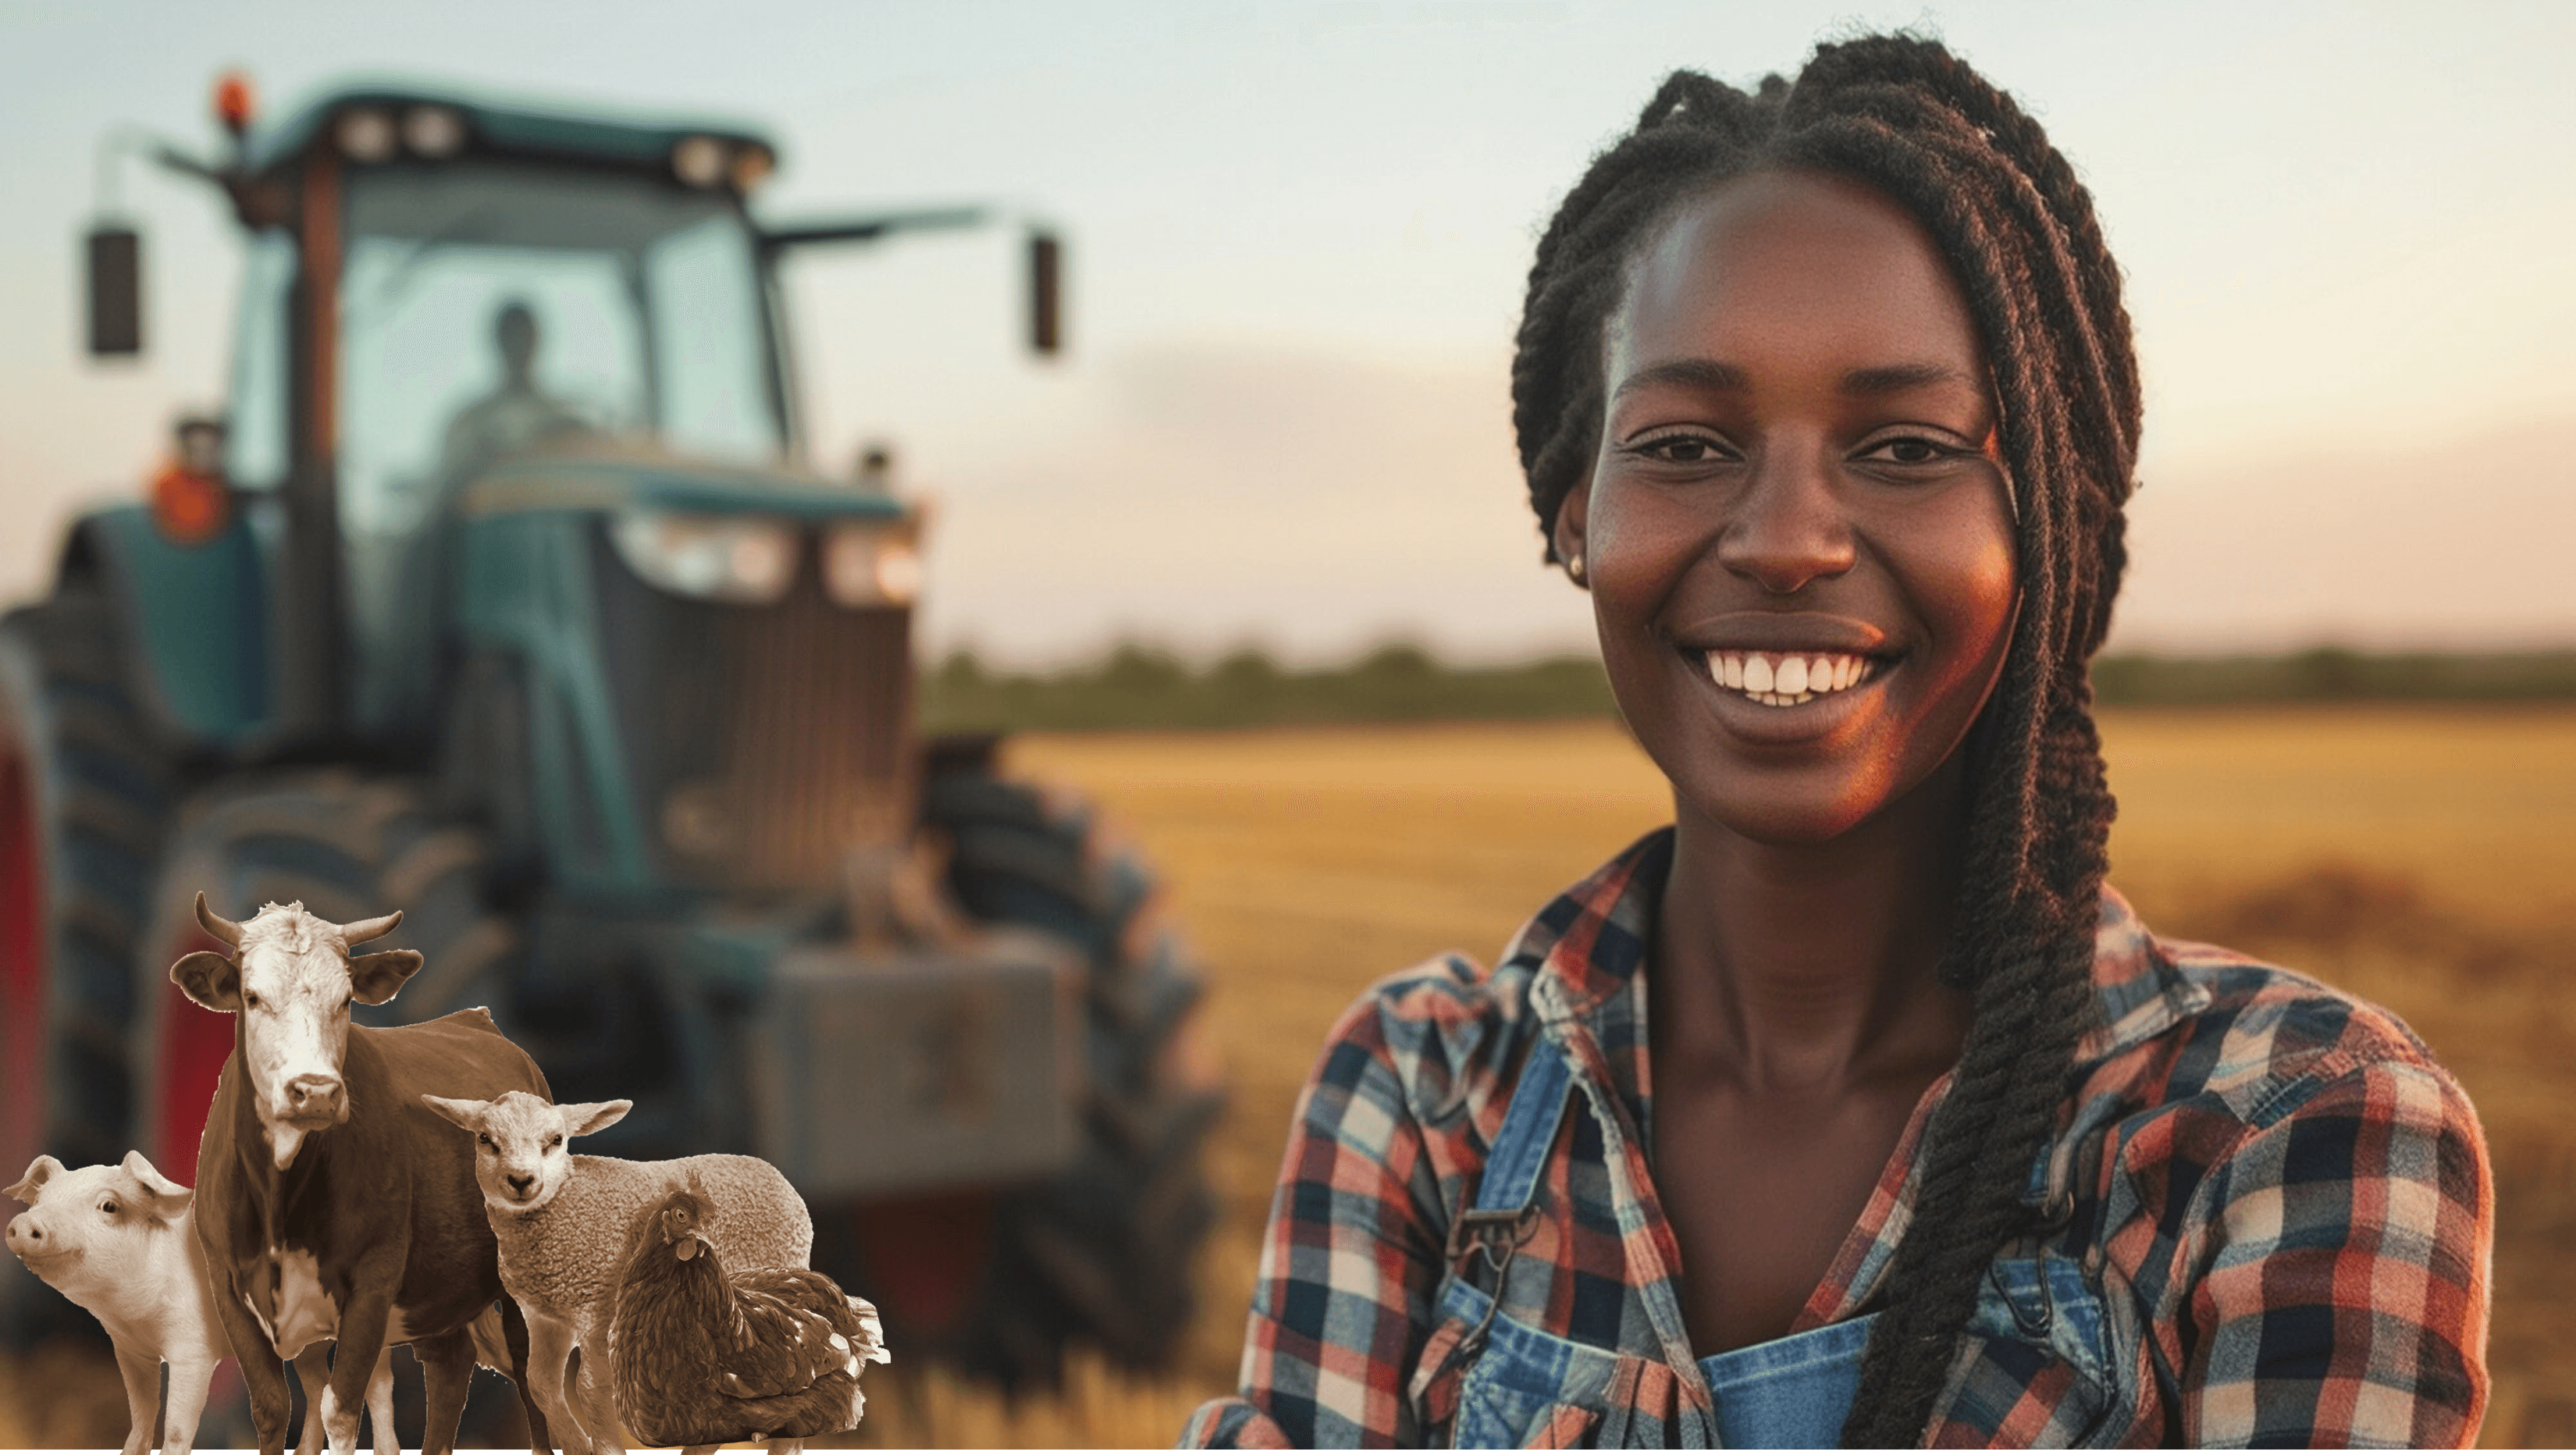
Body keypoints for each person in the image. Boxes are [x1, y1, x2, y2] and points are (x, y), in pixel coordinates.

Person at [1179, 33, 2490, 1450]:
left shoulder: (2284, 1130)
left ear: (2043, 527)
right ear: (1574, 510)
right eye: (1685, 443)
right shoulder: (1421, 1097)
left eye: (1908, 447)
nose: (1788, 540)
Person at [438, 299, 588, 484]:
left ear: (536, 340)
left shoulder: (565, 420)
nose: (519, 345)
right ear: (498, 340)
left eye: (524, 336)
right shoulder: (470, 423)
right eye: (512, 336)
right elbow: (447, 485)